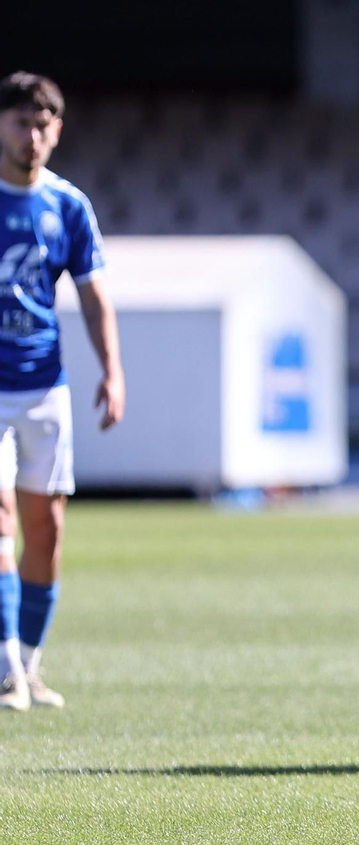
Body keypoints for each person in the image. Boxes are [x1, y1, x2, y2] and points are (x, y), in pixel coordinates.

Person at [0, 72, 124, 713]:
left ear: (58, 131)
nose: (31, 136)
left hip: (45, 387)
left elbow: (94, 294)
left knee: (46, 529)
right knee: (0, 517)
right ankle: (4, 667)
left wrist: (113, 371)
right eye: (20, 122)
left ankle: (28, 663)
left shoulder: (68, 205)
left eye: (42, 125)